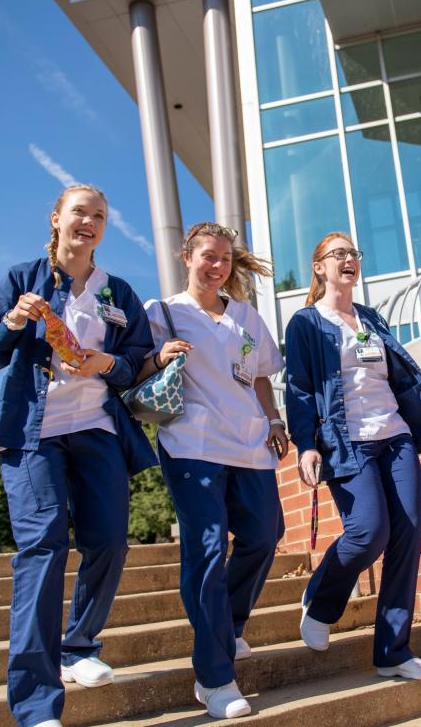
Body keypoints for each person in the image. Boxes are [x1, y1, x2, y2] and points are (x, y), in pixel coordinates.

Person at [0, 185, 157, 727]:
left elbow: (135, 360)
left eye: (99, 216)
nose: (88, 222)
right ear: (57, 221)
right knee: (43, 547)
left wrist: (105, 363)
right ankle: (36, 704)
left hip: (97, 429)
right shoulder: (22, 279)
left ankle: (78, 646)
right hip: (33, 432)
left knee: (109, 539)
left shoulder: (119, 292)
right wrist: (14, 323)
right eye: (79, 213)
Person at [285, 231, 421, 681]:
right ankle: (322, 598)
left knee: (408, 532)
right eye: (338, 253)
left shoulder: (371, 318)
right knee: (368, 531)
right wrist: (306, 444)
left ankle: (392, 652)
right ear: (319, 267)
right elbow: (300, 389)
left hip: (395, 436)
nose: (349, 259)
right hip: (347, 442)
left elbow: (405, 379)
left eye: (353, 253)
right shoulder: (306, 322)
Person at [142, 222, 286, 720]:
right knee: (205, 550)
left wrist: (273, 418)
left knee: (266, 535)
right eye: (208, 256)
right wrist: (158, 355)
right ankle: (215, 677)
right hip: (192, 443)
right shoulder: (162, 312)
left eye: (225, 258)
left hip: (249, 445)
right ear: (187, 257)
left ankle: (228, 623)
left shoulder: (246, 316)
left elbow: (261, 374)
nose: (217, 266)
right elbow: (135, 369)